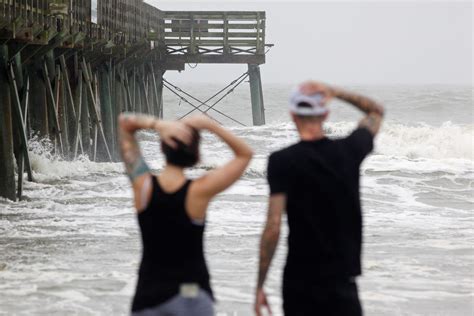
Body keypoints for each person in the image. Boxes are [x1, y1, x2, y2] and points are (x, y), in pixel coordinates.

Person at [254, 81, 384, 316]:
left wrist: (260, 285)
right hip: (341, 282)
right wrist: (336, 92)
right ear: (325, 114)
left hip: (299, 283)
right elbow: (376, 112)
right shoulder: (349, 151)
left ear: (293, 116)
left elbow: (273, 227)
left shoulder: (281, 161)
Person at [118, 113, 253, 316]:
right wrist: (210, 125)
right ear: (196, 155)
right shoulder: (198, 191)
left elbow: (125, 123)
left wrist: (159, 124)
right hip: (191, 294)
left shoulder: (143, 186)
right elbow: (245, 154)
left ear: (163, 148)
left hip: (149, 293)